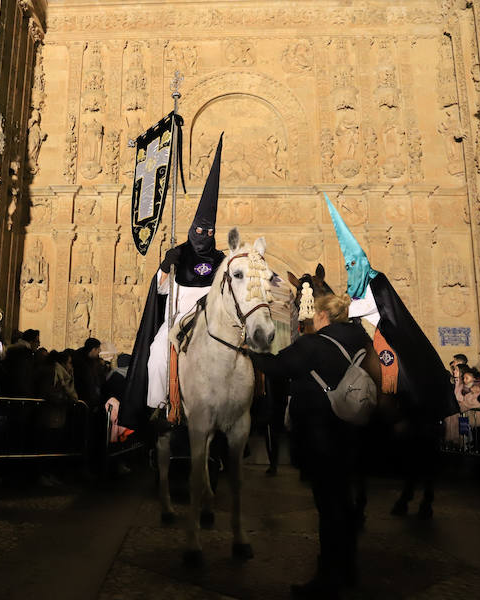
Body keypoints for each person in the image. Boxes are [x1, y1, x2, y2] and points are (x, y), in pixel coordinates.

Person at [324, 193, 456, 521]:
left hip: (387, 338)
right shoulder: (358, 288)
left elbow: (356, 310)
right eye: (348, 265)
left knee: (388, 361)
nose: (350, 269)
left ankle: (404, 400)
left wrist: (330, 306)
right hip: (371, 333)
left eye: (353, 265)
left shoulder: (374, 285)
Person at [249, 292, 371, 599]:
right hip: (352, 433)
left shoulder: (312, 345)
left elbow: (276, 367)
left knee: (328, 508)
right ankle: (348, 568)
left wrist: (250, 351)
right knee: (344, 503)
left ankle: (327, 577)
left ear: (323, 317)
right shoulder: (361, 341)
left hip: (321, 437)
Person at [120, 134, 226, 431]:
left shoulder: (219, 259)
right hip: (178, 316)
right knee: (156, 356)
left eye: (209, 231)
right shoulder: (179, 254)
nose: (203, 234)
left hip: (209, 317)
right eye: (199, 230)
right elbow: (162, 289)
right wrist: (166, 265)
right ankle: (159, 405)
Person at [2, 329, 40, 397]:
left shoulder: (14, 352)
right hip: (20, 396)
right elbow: (22, 376)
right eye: (37, 341)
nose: (39, 344)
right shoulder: (24, 354)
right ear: (31, 342)